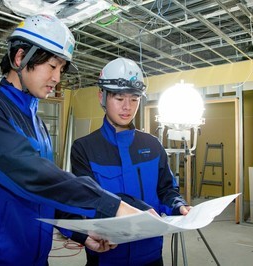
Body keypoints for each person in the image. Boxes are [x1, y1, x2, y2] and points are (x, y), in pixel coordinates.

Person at [0, 15, 143, 266]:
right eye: (52, 66)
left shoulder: (39, 125)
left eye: (61, 69)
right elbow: (31, 174)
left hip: (37, 259)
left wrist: (82, 232)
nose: (57, 78)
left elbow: (49, 191)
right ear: (20, 58)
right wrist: (110, 204)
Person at [68, 58, 192, 266]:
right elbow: (87, 201)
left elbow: (166, 190)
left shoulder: (152, 145)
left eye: (134, 99)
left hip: (150, 256)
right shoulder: (84, 149)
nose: (127, 107)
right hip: (106, 257)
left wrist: (178, 206)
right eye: (119, 98)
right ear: (102, 96)